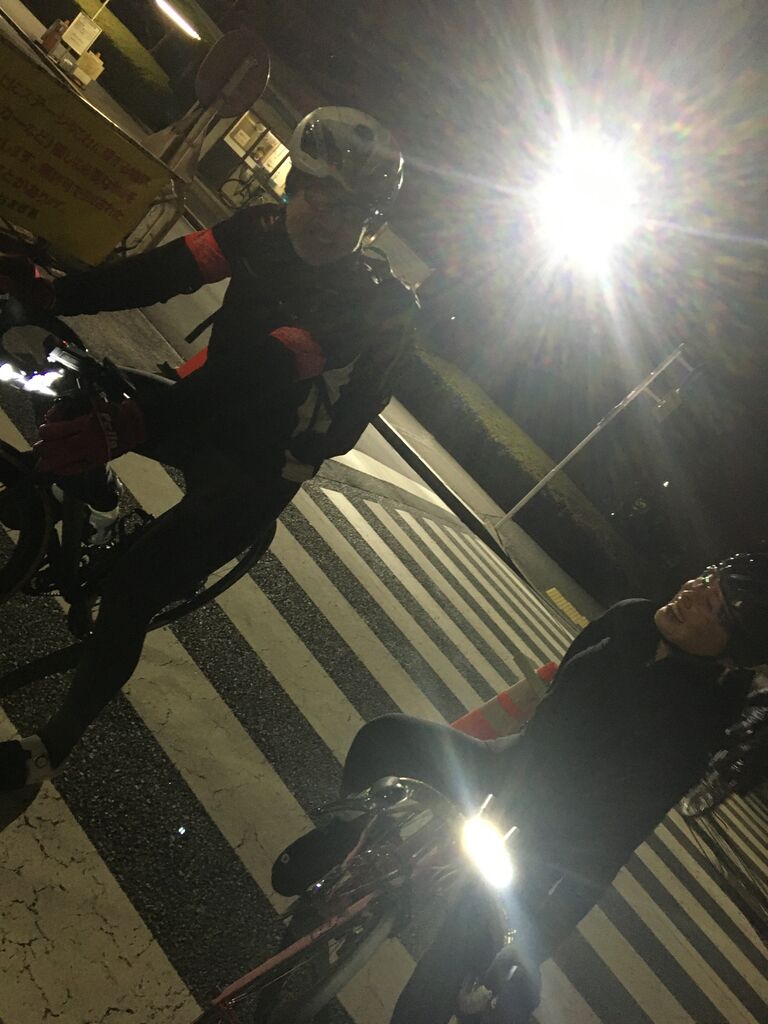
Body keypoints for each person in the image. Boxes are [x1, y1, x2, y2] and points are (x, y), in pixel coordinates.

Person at [0, 107, 417, 805]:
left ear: (371, 222)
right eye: (316, 192)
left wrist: (138, 420)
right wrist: (51, 294)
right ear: (294, 181)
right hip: (205, 408)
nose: (324, 217)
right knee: (75, 385)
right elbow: (161, 273)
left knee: (132, 592)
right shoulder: (261, 229)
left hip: (261, 462)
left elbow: (259, 371)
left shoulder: (374, 305)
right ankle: (97, 499)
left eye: (349, 210)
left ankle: (50, 750)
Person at [272, 553, 768, 1023]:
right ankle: (341, 838)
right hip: (510, 766)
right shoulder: (631, 616)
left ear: (731, 655)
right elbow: (555, 696)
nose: (692, 592)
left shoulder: (697, 726)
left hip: (549, 841)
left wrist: (536, 942)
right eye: (706, 578)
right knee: (385, 737)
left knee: (439, 980)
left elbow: (615, 844)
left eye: (713, 606)